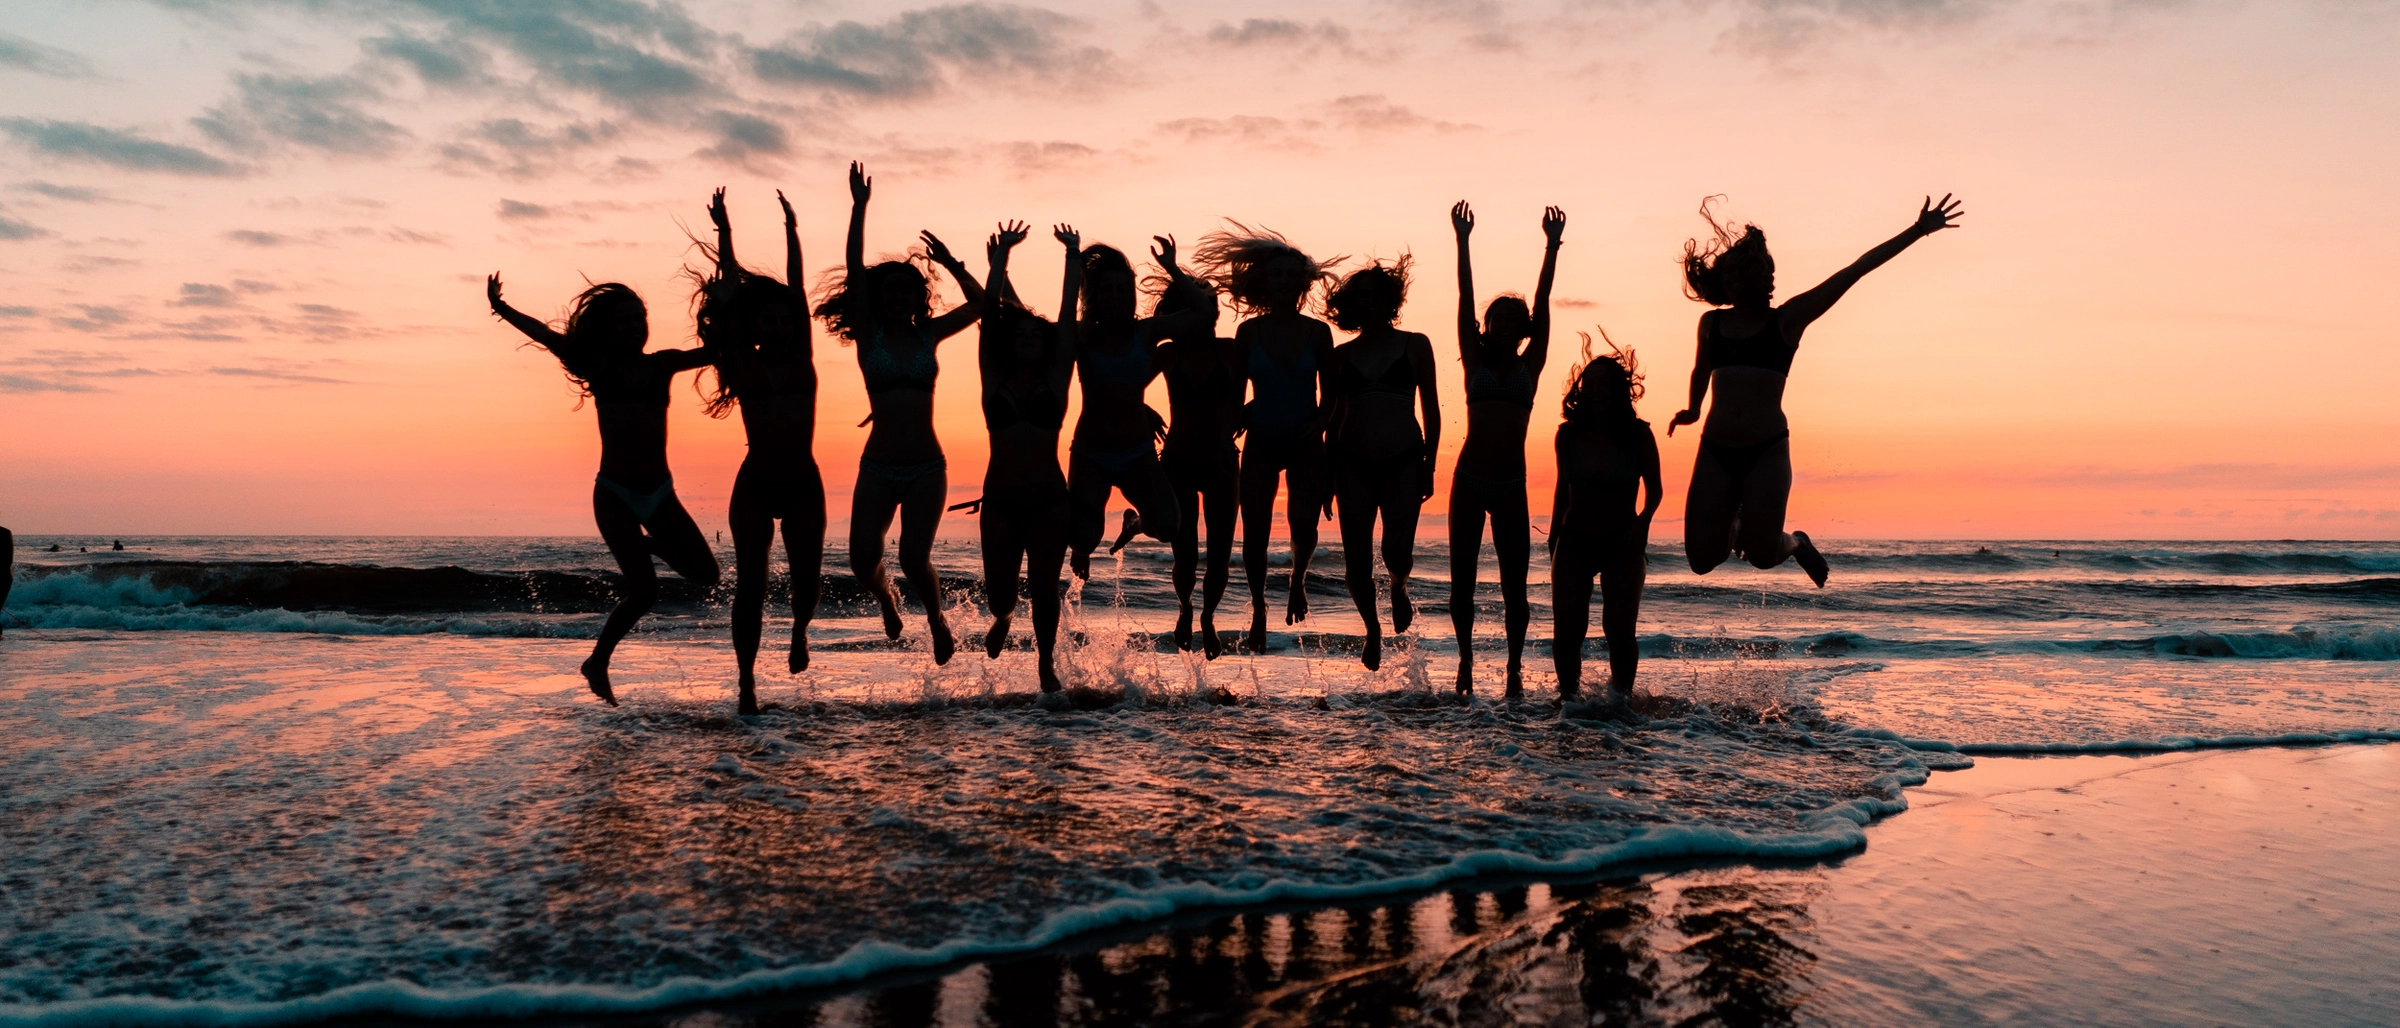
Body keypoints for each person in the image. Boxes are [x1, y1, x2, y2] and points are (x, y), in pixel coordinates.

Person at [1666, 194, 1964, 585]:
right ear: (1727, 281)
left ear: (1767, 280)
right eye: (1737, 276)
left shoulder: (1787, 321)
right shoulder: (1711, 324)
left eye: (1758, 274)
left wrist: (1917, 231)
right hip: (1716, 449)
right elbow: (1701, 369)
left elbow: (1855, 270)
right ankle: (1736, 528)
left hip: (1766, 450)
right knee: (1701, 560)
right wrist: (1691, 409)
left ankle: (1797, 543)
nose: (1749, 282)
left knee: (1763, 555)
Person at [488, 270, 720, 705]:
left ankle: (648, 546)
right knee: (645, 591)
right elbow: (546, 335)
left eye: (640, 319)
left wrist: (726, 305)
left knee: (707, 574)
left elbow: (717, 352)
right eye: (625, 321)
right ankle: (598, 662)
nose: (635, 327)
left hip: (660, 493)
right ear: (607, 329)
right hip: (613, 493)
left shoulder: (662, 364)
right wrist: (502, 308)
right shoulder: (599, 366)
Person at [816, 161, 985, 663]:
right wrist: (858, 208)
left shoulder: (929, 334)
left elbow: (980, 305)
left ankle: (935, 619)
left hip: (928, 466)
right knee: (861, 559)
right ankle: (887, 598)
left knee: (915, 557)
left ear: (917, 298)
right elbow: (851, 267)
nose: (897, 298)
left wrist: (954, 264)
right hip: (879, 465)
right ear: (878, 299)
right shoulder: (870, 337)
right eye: (889, 291)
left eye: (906, 291)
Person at [698, 187, 822, 715]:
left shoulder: (803, 357)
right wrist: (725, 233)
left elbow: (797, 287)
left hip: (802, 484)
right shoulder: (743, 362)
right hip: (755, 483)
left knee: (806, 577)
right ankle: (747, 680)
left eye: (783, 321)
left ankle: (798, 632)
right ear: (754, 326)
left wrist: (792, 230)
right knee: (750, 584)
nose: (776, 327)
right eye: (766, 321)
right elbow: (728, 294)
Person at [1191, 225, 1338, 654]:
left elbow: (1331, 392)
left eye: (1292, 276)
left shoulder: (1317, 333)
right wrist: (1224, 436)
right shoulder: (1249, 333)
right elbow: (1236, 396)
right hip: (1261, 439)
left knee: (1304, 525)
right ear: (1264, 281)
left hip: (1306, 438)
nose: (1284, 282)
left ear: (1302, 283)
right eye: (1277, 275)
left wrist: (1322, 423)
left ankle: (1298, 581)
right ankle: (1258, 608)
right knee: (1253, 531)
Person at [1447, 202, 1563, 695]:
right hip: (1469, 480)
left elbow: (1544, 300)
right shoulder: (1472, 356)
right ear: (1487, 323)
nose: (1505, 323)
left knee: (1515, 584)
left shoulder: (1531, 363)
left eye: (1515, 319)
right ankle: (1467, 663)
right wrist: (1463, 240)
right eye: (1498, 317)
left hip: (1512, 484)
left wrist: (1552, 246)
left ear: (1525, 329)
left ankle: (1514, 667)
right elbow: (1465, 295)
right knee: (1463, 583)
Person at [974, 221, 1079, 692]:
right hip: (998, 500)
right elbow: (988, 314)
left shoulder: (1057, 378)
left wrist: (1072, 257)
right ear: (1011, 343)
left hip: (1049, 500)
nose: (1029, 343)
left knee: (1044, 588)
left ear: (1045, 344)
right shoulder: (992, 375)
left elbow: (1066, 315)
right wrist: (1001, 260)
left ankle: (1045, 665)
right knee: (1000, 594)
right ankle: (1002, 617)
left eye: (1036, 338)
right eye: (1021, 338)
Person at [1324, 258, 1439, 670]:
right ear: (1352, 306)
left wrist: (1430, 464)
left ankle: (1399, 586)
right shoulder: (1340, 358)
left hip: (1404, 460)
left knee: (1397, 552)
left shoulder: (1415, 344)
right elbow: (1333, 421)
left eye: (1376, 297)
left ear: (1389, 302)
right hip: (1351, 463)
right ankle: (1372, 629)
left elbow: (1432, 409)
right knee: (1356, 558)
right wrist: (1325, 477)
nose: (1369, 305)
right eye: (1361, 299)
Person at [1063, 236, 1200, 580]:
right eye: (1108, 289)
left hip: (1136, 452)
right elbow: (1059, 317)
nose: (1117, 296)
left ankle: (1135, 522)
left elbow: (1204, 312)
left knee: (1169, 527)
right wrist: (1071, 263)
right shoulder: (1082, 336)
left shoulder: (1147, 331)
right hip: (1091, 452)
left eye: (1124, 288)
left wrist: (1171, 266)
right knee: (1082, 538)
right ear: (1095, 295)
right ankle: (1082, 549)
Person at [1551, 339, 1661, 702]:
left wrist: (1641, 526)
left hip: (1621, 543)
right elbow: (1561, 490)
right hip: (1574, 540)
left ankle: (1621, 704)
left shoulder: (1638, 434)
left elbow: (1655, 490)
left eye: (1603, 383)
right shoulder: (1567, 435)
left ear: (1617, 390)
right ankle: (1568, 704)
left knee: (1618, 632)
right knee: (1568, 633)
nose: (1596, 390)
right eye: (1590, 383)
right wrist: (1554, 537)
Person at [1152, 253, 1246, 658]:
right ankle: (1186, 608)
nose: (1212, 312)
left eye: (1213, 305)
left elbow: (1256, 396)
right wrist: (1141, 409)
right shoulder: (1168, 354)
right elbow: (1123, 388)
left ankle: (1208, 615)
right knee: (1185, 554)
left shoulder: (1231, 351)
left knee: (1220, 557)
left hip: (1222, 462)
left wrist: (1250, 414)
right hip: (1177, 462)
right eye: (1201, 304)